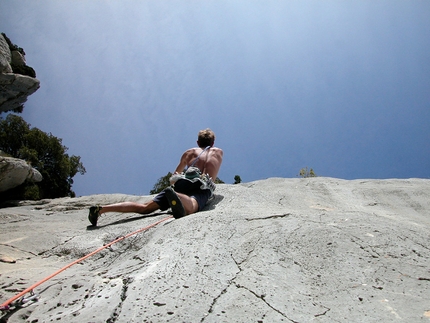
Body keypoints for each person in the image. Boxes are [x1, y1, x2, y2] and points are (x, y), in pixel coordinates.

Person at [88, 128, 223, 226]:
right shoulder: (218, 152)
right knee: (193, 204)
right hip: (202, 185)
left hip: (181, 183)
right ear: (212, 143)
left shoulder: (188, 153)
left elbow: (174, 175)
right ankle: (179, 199)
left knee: (145, 208)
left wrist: (174, 184)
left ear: (198, 142)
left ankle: (102, 209)